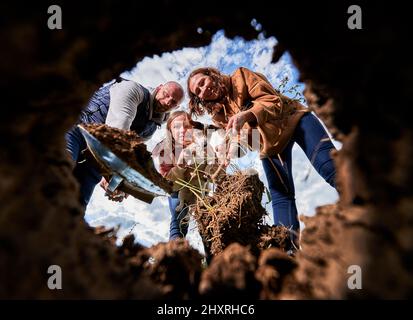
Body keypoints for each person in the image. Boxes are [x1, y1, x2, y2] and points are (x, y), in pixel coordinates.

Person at [187, 67, 337, 248]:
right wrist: (228, 149)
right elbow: (248, 141)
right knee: (281, 197)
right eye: (198, 91)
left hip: (294, 121)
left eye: (203, 82)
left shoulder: (241, 76)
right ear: (200, 99)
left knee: (330, 167)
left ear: (211, 75)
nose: (204, 89)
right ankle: (288, 251)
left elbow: (273, 102)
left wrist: (248, 114)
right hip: (270, 147)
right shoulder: (219, 117)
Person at [65, 77, 184, 207]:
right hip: (78, 130)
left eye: (173, 102)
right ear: (159, 87)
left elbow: (132, 153)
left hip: (96, 159)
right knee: (61, 167)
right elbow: (117, 130)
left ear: (175, 107)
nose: (167, 101)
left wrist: (120, 183)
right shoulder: (132, 89)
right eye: (165, 94)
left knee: (78, 203)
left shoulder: (151, 128)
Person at [153, 111, 220, 242]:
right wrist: (180, 167)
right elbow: (167, 182)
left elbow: (215, 169)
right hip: (177, 188)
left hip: (201, 189)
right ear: (170, 131)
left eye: (186, 126)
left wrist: (214, 168)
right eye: (176, 127)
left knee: (208, 218)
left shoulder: (203, 145)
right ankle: (176, 248)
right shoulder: (163, 150)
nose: (182, 130)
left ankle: (213, 252)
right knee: (179, 214)